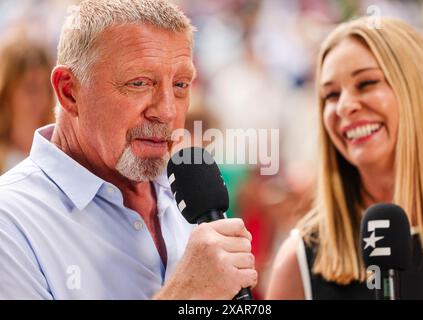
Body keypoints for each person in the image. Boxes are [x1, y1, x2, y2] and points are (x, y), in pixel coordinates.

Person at [0, 0, 256, 300]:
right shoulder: (12, 221)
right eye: (139, 83)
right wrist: (184, 294)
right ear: (69, 91)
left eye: (181, 84)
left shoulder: (191, 197)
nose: (167, 111)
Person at [266, 17, 423, 299]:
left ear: (418, 91)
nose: (345, 106)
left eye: (366, 83)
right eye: (330, 95)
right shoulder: (299, 259)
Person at [0, 39, 54, 173]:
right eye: (31, 88)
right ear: (7, 92)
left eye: (47, 88)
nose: (41, 97)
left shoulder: (59, 153)